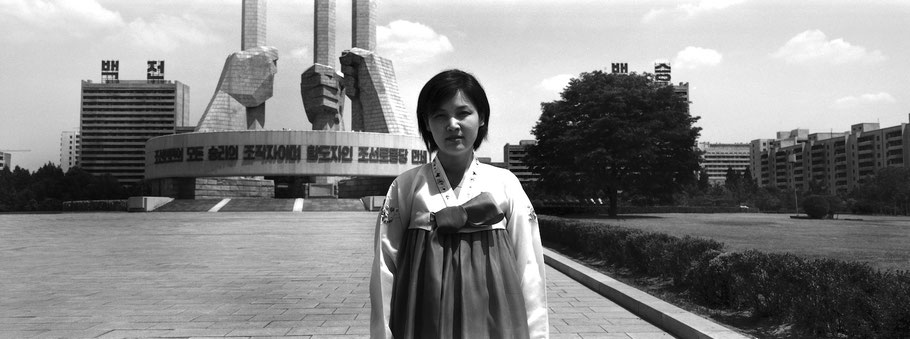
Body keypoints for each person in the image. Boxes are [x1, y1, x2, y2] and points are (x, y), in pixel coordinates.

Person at [370, 69, 549, 338]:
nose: (452, 124)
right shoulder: (406, 186)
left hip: (496, 319)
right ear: (427, 123)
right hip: (422, 318)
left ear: (482, 118)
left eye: (463, 113)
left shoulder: (506, 183)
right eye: (440, 115)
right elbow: (385, 266)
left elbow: (529, 265)